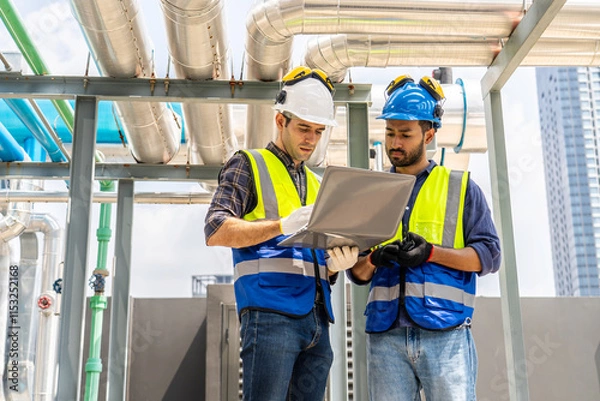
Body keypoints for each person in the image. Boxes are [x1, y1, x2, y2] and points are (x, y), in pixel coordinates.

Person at [204, 66, 359, 401]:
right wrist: (280, 226)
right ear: (280, 120)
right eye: (304, 128)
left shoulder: (320, 185)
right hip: (270, 315)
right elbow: (216, 228)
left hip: (318, 320)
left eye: (318, 131)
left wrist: (335, 265)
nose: (311, 139)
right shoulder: (248, 164)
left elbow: (313, 257)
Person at [347, 74, 501, 401]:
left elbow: (488, 257)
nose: (394, 143)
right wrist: (375, 258)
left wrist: (430, 253)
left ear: (429, 133)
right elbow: (357, 273)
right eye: (390, 133)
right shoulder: (370, 192)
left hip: (446, 334)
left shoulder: (461, 188)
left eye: (405, 134)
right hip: (385, 336)